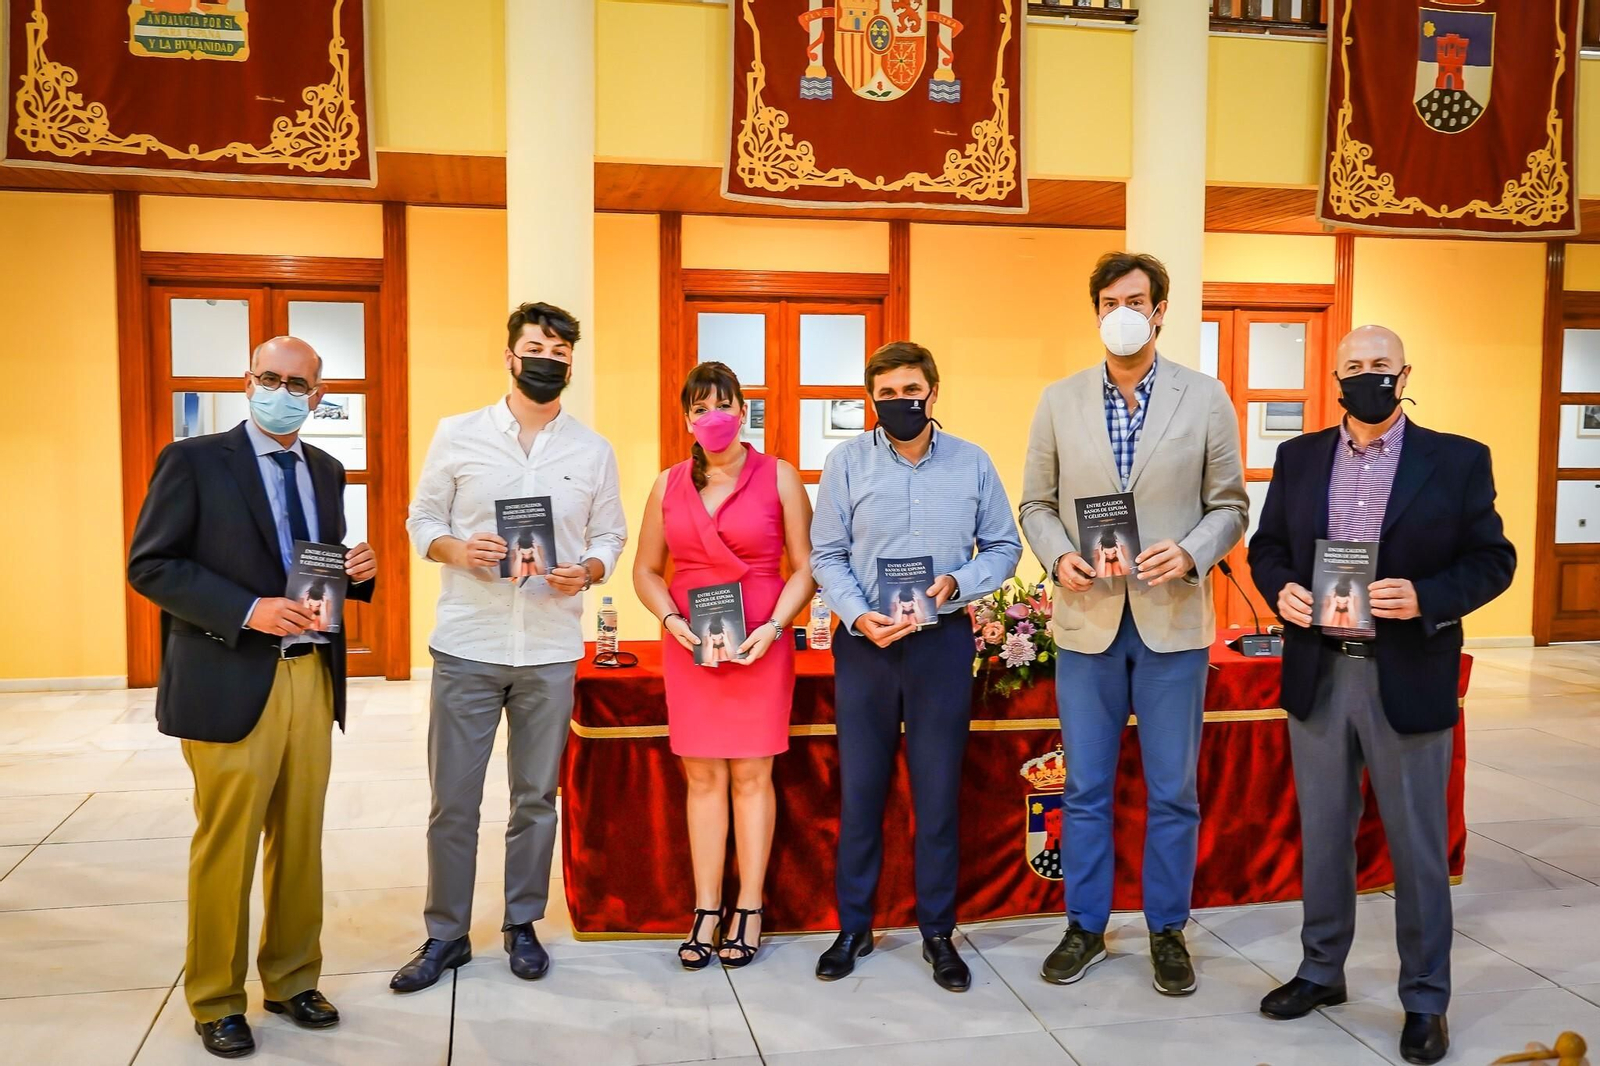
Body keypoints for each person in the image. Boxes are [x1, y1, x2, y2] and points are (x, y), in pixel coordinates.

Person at [1248, 324, 1515, 1066]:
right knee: (1325, 836)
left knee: (1417, 848)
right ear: (1336, 376)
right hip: (1321, 670)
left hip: (1406, 671)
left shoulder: (1456, 460)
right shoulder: (1299, 459)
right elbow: (1267, 548)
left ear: (1405, 374)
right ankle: (1320, 970)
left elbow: (1493, 561)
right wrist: (1284, 592)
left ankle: (1425, 999)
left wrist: (1426, 596)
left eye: (1381, 366)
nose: (1368, 376)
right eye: (1354, 366)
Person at [127, 336, 377, 1059]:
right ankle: (215, 997)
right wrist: (247, 609)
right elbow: (153, 565)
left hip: (308, 675)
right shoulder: (195, 461)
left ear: (317, 394)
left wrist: (354, 571)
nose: (284, 391)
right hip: (229, 672)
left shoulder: (325, 470)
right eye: (271, 378)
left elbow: (310, 566)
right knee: (227, 843)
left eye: (298, 383)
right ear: (248, 383)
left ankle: (294, 978)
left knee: (300, 839)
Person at [1019, 251, 1248, 996]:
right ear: (1096, 312)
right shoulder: (1059, 400)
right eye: (1110, 299)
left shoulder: (1205, 398)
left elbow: (1230, 506)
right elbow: (1036, 504)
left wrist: (1190, 552)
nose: (1123, 310)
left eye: (1137, 299)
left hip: (1171, 622)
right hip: (1087, 620)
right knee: (1084, 785)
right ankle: (1085, 925)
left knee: (1172, 787)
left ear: (1159, 311)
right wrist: (1058, 559)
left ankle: (1166, 929)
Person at [393, 302, 628, 992]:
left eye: (559, 352)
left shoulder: (592, 449)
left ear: (570, 364)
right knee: (454, 801)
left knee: (535, 797)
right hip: (469, 642)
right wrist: (459, 550)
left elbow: (610, 536)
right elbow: (422, 518)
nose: (546, 360)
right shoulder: (458, 434)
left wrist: (584, 570)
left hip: (551, 649)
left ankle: (521, 922)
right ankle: (445, 933)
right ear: (509, 356)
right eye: (535, 348)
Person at [810, 341, 1022, 992]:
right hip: (867, 646)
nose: (900, 402)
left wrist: (956, 583)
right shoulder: (845, 464)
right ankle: (854, 926)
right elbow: (826, 554)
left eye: (911, 390)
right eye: (887, 393)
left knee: (935, 796)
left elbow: (1005, 547)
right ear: (871, 398)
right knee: (863, 791)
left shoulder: (972, 463)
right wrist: (856, 614)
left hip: (940, 644)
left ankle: (937, 932)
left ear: (933, 390)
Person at [632, 361, 815, 969]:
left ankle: (751, 907)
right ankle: (706, 908)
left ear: (744, 410)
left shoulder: (780, 476)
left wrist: (773, 627)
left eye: (724, 404)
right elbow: (646, 570)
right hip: (694, 646)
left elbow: (805, 566)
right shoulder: (667, 484)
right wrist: (670, 622)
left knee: (752, 777)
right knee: (703, 777)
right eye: (699, 407)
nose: (713, 417)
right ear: (687, 417)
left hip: (760, 641)